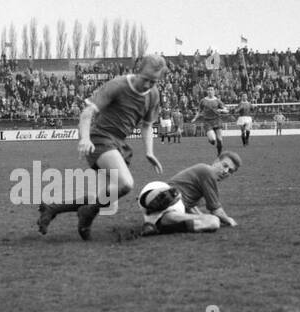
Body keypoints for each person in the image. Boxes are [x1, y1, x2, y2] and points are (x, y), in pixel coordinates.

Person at [37, 53, 165, 239]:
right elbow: (87, 112)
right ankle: (86, 214)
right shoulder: (118, 85)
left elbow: (147, 125)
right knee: (126, 184)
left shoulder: (153, 95)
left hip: (119, 144)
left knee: (106, 197)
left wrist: (149, 152)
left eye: (153, 82)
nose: (147, 85)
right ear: (137, 70)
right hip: (100, 139)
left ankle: (52, 209)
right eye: (145, 79)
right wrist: (85, 138)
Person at [152, 152, 241, 232]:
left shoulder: (203, 170)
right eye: (225, 165)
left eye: (230, 171)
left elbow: (190, 205)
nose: (225, 171)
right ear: (216, 161)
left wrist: (202, 216)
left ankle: (157, 223)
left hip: (159, 204)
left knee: (209, 220)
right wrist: (229, 220)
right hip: (166, 205)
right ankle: (160, 226)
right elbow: (216, 211)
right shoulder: (208, 172)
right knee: (214, 221)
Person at [191, 85, 229, 157]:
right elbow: (199, 111)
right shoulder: (203, 101)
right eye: (208, 90)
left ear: (214, 91)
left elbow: (226, 110)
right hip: (207, 122)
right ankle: (210, 139)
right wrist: (195, 118)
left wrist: (221, 110)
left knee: (220, 140)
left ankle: (219, 154)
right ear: (207, 91)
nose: (210, 91)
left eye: (211, 89)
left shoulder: (217, 100)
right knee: (213, 140)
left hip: (217, 120)